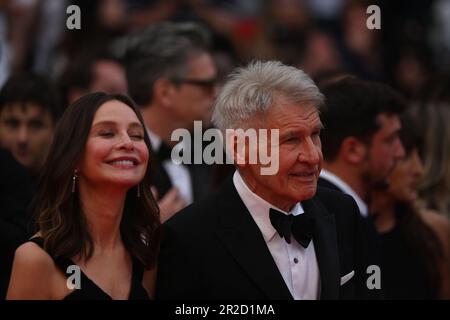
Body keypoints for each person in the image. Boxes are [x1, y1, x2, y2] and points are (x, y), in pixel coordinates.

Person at [156, 61, 371, 300]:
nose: (313, 156)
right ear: (240, 149)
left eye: (315, 135)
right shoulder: (188, 238)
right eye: (291, 140)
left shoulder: (343, 212)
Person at [7, 93, 160, 300]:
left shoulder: (145, 254)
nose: (127, 143)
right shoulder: (37, 259)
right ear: (74, 157)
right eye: (107, 133)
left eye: (136, 135)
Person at [124, 21, 219, 220]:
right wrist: (149, 234)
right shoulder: (119, 160)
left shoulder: (215, 153)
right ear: (165, 92)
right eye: (206, 85)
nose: (216, 93)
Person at [371, 112, 450, 299]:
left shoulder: (434, 231)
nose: (418, 170)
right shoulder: (341, 234)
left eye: (419, 155)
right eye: (405, 157)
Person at [0, 73, 62, 177]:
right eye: (13, 124)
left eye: (36, 125)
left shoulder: (71, 190)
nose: (22, 138)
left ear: (56, 129)